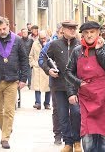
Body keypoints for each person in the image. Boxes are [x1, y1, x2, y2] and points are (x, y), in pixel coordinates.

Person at [65, 21, 105, 152]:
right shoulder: (77, 51)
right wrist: (78, 83)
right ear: (82, 35)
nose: (89, 35)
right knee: (87, 136)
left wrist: (99, 51)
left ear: (98, 33)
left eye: (92, 32)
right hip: (87, 97)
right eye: (86, 33)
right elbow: (68, 72)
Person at [0, 16, 29, 149]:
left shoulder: (18, 40)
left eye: (4, 28)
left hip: (12, 80)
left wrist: (23, 79)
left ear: (9, 26)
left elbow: (24, 60)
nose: (2, 31)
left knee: (9, 110)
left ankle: (5, 138)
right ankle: (7, 128)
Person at [41, 20, 82, 152]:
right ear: (62, 30)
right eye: (69, 28)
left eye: (74, 28)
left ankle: (77, 141)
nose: (72, 30)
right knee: (62, 115)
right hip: (58, 86)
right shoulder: (54, 44)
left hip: (75, 87)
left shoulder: (80, 45)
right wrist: (49, 70)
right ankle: (68, 143)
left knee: (76, 113)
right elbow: (44, 60)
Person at [38, 23, 63, 145]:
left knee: (74, 110)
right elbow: (41, 59)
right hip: (56, 82)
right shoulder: (50, 45)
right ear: (58, 33)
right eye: (62, 33)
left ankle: (73, 136)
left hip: (72, 82)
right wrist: (48, 70)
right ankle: (58, 135)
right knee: (57, 109)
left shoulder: (76, 44)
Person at [29, 30, 51, 110]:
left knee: (48, 87)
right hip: (37, 68)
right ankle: (37, 103)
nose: (43, 39)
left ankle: (47, 103)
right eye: (41, 38)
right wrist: (33, 64)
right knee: (37, 87)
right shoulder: (35, 43)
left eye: (44, 38)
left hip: (46, 67)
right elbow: (31, 55)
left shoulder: (50, 43)